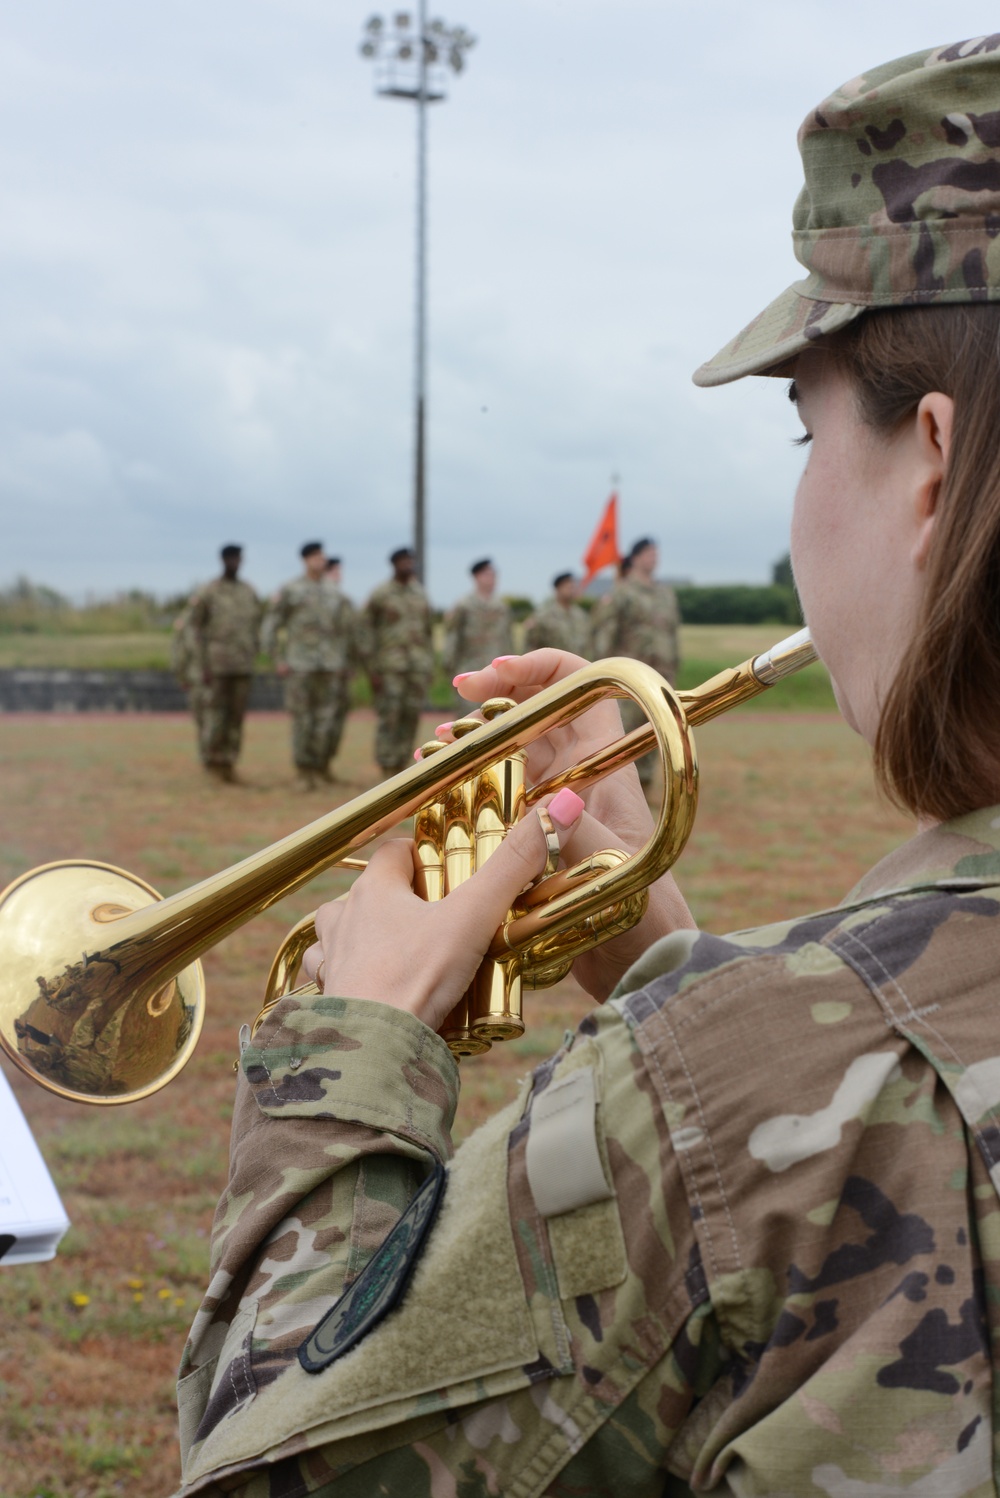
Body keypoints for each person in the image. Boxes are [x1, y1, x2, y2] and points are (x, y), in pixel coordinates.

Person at [177, 41, 1000, 1496]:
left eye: (803, 428)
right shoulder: (762, 1068)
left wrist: (353, 1040)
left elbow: (265, 1469)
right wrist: (661, 962)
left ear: (929, 456)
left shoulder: (741, 1086)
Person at [262, 543, 356, 791]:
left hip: (329, 665)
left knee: (325, 719)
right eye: (315, 556)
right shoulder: (291, 589)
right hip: (300, 665)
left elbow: (346, 629)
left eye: (322, 556)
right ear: (305, 560)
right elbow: (272, 624)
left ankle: (320, 768)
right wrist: (277, 658)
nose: (320, 560)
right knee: (303, 719)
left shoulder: (333, 591)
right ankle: (303, 772)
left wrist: (346, 661)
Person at [591, 537, 681, 791]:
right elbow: (605, 634)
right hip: (630, 679)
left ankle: (646, 784)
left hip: (661, 674)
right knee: (625, 735)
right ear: (636, 558)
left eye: (656, 552)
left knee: (655, 732)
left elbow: (672, 635)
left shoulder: (665, 594)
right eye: (649, 553)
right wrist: (604, 674)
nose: (654, 557)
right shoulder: (623, 593)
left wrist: (674, 669)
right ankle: (622, 790)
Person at [356, 546, 434, 776]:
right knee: (390, 715)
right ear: (393, 565)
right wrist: (371, 667)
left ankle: (401, 762)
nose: (407, 565)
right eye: (402, 561)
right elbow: (365, 630)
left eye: (409, 561)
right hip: (390, 666)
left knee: (410, 715)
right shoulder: (381, 594)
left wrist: (429, 664)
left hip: (417, 666)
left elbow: (427, 631)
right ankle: (386, 765)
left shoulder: (420, 593)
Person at [188, 545, 260, 783]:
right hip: (216, 666)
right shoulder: (210, 591)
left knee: (236, 718)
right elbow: (195, 630)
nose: (235, 562)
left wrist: (254, 655)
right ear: (223, 560)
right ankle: (213, 764)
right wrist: (202, 665)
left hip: (242, 666)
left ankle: (230, 763)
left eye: (238, 558)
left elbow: (255, 627)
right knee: (215, 716)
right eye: (231, 558)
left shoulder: (248, 591)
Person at [442, 558, 514, 706]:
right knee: (470, 720)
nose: (492, 579)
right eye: (487, 575)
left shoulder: (502, 607)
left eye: (494, 575)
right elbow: (453, 639)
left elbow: (507, 640)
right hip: (470, 670)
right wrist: (450, 669)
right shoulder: (464, 605)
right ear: (476, 577)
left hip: (497, 673)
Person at [523, 571, 591, 657]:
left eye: (573, 587)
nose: (571, 590)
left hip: (579, 667)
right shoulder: (543, 616)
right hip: (552, 667)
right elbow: (532, 646)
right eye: (567, 587)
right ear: (557, 588)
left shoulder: (581, 616)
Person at [169, 597, 205, 745]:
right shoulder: (186, 627)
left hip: (203, 677)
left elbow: (178, 655)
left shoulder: (186, 626)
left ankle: (210, 755)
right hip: (199, 677)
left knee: (204, 720)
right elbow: (179, 655)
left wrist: (181, 677)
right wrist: (181, 676)